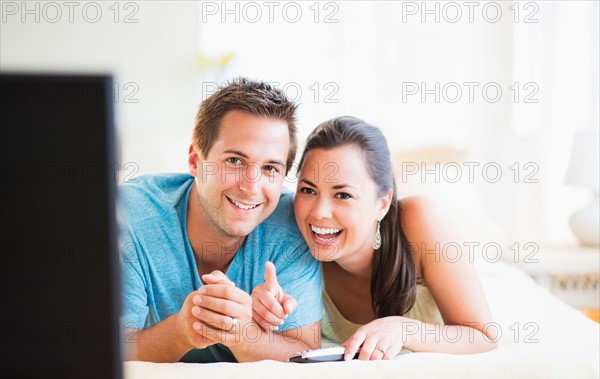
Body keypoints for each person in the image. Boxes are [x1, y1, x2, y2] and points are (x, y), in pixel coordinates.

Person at [252, 116, 497, 360]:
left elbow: (483, 336)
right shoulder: (291, 235)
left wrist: (404, 329)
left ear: (382, 203)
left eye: (343, 195)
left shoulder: (421, 220)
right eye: (308, 190)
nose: (318, 213)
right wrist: (263, 313)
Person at [118, 78, 322, 363]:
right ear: (195, 160)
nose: (251, 187)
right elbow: (104, 353)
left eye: (270, 168)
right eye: (235, 161)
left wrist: (245, 334)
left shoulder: (292, 223)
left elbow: (307, 354)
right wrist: (181, 331)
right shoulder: (130, 215)